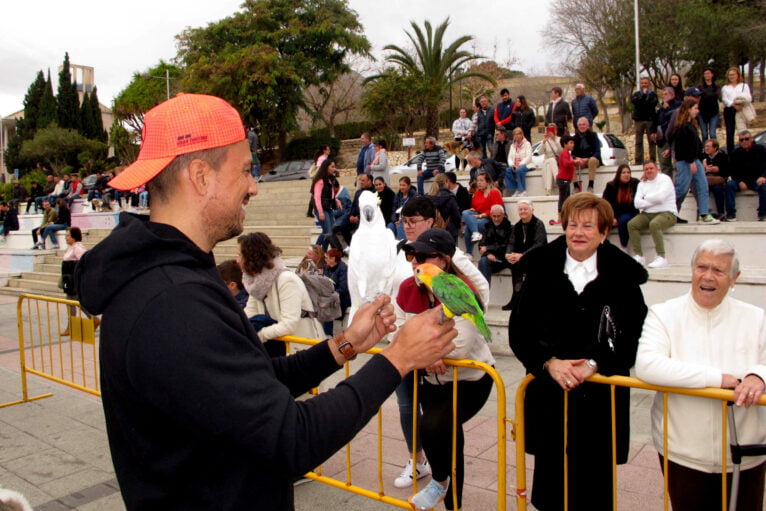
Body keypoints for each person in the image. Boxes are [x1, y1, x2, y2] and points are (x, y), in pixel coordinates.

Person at [75, 93, 459, 511]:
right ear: (201, 176)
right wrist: (398, 359)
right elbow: (290, 437)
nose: (254, 186)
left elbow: (252, 381)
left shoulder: (179, 276)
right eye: (245, 170)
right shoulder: (171, 301)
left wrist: (344, 344)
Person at [509, 193, 648, 511]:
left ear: (603, 232)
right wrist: (548, 363)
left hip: (601, 398)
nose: (579, 232)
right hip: (551, 393)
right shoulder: (542, 269)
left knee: (595, 487)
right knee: (552, 484)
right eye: (573, 224)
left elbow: (634, 331)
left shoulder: (623, 276)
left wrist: (596, 364)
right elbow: (520, 330)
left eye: (588, 225)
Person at [635, 240, 766, 511]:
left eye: (718, 270)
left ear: (734, 278)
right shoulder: (664, 314)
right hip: (684, 453)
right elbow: (647, 365)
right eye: (701, 267)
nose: (707, 276)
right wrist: (717, 379)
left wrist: (758, 376)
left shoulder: (756, 318)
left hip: (746, 451)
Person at [389, 196, 489, 491]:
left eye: (423, 257)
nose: (416, 262)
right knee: (435, 429)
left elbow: (462, 342)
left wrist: (420, 351)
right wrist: (421, 354)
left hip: (466, 376)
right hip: (430, 377)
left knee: (435, 427)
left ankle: (441, 484)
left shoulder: (459, 284)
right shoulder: (410, 286)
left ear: (444, 260)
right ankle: (440, 483)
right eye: (412, 257)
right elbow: (399, 329)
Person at [239, 232, 323, 358]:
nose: (237, 260)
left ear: (252, 257)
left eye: (240, 255)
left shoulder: (287, 280)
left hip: (299, 351)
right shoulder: (257, 284)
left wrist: (259, 335)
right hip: (278, 349)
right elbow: (249, 315)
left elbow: (289, 324)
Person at [669, 99, 719, 224]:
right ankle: (669, 213)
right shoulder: (682, 127)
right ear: (688, 109)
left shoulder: (691, 126)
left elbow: (696, 145)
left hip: (695, 160)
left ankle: (704, 214)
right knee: (682, 189)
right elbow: (683, 148)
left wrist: (702, 159)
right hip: (686, 161)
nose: (697, 111)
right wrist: (691, 161)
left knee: (703, 186)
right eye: (695, 108)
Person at [627, 160, 678, 268]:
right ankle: (639, 256)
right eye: (646, 169)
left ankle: (661, 257)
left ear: (657, 169)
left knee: (655, 224)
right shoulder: (642, 183)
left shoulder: (665, 179)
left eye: (651, 168)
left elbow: (661, 198)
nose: (649, 171)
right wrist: (652, 199)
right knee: (632, 224)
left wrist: (645, 197)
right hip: (647, 214)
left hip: (667, 213)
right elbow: (637, 203)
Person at [502, 199, 547, 310]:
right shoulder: (517, 226)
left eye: (525, 209)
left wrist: (522, 255)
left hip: (537, 256)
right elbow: (511, 242)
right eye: (520, 209)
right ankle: (516, 298)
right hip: (520, 257)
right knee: (514, 263)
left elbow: (539, 244)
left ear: (532, 210)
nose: (523, 211)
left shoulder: (538, 224)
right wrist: (508, 254)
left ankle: (530, 300)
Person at [59, 226, 94, 337]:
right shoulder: (72, 248)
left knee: (72, 302)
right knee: (74, 302)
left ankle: (73, 326)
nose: (66, 238)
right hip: (69, 280)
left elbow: (84, 262)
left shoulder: (78, 248)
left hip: (73, 281)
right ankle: (93, 319)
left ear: (74, 237)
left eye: (68, 236)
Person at [725, 130, 766, 221]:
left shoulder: (761, 149)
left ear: (751, 139)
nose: (744, 141)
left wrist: (763, 176)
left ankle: (763, 213)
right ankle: (730, 214)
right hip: (741, 180)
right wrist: (739, 181)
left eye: (746, 139)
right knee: (730, 185)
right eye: (741, 140)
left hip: (756, 179)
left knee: (764, 186)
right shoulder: (735, 153)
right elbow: (732, 170)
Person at [461, 171, 503, 255]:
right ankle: (475, 233)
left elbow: (495, 209)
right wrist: (473, 209)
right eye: (477, 180)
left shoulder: (494, 192)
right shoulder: (477, 193)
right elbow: (475, 207)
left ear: (487, 182)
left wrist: (480, 215)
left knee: (468, 227)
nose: (478, 183)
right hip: (478, 215)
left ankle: (469, 253)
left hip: (489, 218)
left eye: (481, 180)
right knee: (465, 213)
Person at [602, 164, 639, 250]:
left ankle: (623, 247)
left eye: (628, 172)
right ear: (619, 174)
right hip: (614, 213)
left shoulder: (635, 183)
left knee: (623, 221)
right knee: (602, 223)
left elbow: (634, 205)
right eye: (624, 173)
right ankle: (600, 245)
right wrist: (612, 217)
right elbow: (606, 203)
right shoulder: (611, 186)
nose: (627, 175)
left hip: (630, 212)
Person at [477, 204, 512, 287]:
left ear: (503, 215)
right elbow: (481, 245)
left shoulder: (509, 228)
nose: (496, 219)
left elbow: (506, 245)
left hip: (503, 259)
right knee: (483, 261)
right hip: (491, 259)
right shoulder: (488, 227)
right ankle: (484, 292)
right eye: (494, 216)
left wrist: (488, 248)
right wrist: (488, 254)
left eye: (498, 216)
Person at [651, 86, 681, 177]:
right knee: (664, 164)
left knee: (677, 164)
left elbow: (674, 117)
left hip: (675, 138)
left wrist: (667, 108)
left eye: (666, 94)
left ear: (672, 95)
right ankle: (667, 183)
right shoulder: (661, 108)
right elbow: (656, 120)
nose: (664, 96)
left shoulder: (678, 105)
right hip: (662, 139)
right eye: (663, 94)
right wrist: (653, 131)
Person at [722, 67, 753, 154]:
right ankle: (731, 153)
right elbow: (724, 99)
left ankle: (745, 150)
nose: (731, 77)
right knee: (730, 132)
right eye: (730, 75)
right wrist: (733, 104)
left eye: (733, 74)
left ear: (737, 75)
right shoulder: (725, 87)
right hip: (730, 110)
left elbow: (749, 97)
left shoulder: (744, 86)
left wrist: (740, 104)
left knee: (743, 131)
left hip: (741, 109)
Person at [311, 158, 336, 251]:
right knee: (327, 232)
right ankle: (315, 251)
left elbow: (331, 194)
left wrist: (336, 200)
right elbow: (317, 197)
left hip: (328, 207)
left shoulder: (329, 179)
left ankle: (323, 252)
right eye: (332, 167)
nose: (334, 168)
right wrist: (320, 212)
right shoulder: (320, 181)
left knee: (330, 232)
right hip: (322, 208)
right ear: (326, 167)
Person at [631, 77, 658, 165]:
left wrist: (644, 99)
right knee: (638, 141)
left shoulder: (653, 94)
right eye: (642, 83)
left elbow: (652, 104)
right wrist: (643, 96)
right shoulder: (636, 94)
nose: (644, 85)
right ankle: (639, 160)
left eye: (646, 83)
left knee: (651, 141)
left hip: (650, 120)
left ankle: (652, 159)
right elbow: (635, 102)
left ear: (649, 84)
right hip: (639, 120)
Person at [427, 173, 461, 243]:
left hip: (431, 231)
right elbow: (456, 217)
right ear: (446, 182)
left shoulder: (427, 197)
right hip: (449, 231)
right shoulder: (450, 197)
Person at [571, 117, 602, 193]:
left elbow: (597, 151)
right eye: (580, 125)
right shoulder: (575, 138)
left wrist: (588, 158)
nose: (582, 126)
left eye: (584, 124)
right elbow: (572, 154)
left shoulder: (594, 136)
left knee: (592, 160)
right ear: (578, 127)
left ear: (588, 126)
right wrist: (577, 158)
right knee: (571, 163)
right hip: (580, 161)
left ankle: (591, 185)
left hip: (592, 160)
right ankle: (576, 186)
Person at [324, 248, 350, 329]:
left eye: (327, 258)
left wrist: (331, 295)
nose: (325, 260)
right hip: (331, 295)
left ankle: (327, 333)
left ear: (333, 259)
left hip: (342, 298)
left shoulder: (343, 269)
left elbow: (343, 288)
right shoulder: (327, 268)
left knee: (327, 305)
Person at [702, 138, 728, 219]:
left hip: (718, 180)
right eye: (705, 146)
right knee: (702, 190)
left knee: (718, 189)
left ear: (715, 147)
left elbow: (726, 171)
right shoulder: (703, 157)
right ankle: (702, 213)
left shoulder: (723, 156)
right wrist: (704, 168)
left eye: (709, 146)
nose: (706, 148)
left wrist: (717, 169)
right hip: (707, 180)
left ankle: (721, 212)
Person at [504, 127, 533, 197]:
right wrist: (512, 165)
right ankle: (515, 189)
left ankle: (522, 190)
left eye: (518, 134)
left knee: (520, 170)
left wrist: (520, 164)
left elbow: (528, 156)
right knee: (507, 170)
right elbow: (510, 158)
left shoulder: (527, 144)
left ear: (522, 135)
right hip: (515, 165)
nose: (516, 136)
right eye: (515, 135)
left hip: (526, 164)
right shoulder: (512, 146)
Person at [554, 134, 577, 217]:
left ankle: (565, 214)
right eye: (571, 143)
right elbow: (566, 163)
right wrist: (575, 162)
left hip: (567, 179)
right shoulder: (564, 153)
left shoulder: (568, 153)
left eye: (573, 143)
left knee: (567, 198)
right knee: (563, 198)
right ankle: (560, 215)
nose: (572, 144)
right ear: (565, 144)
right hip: (563, 179)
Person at [697, 67, 721, 142]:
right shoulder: (700, 86)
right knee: (704, 134)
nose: (706, 75)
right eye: (705, 74)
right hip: (702, 112)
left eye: (708, 73)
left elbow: (717, 95)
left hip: (714, 112)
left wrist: (705, 94)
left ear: (712, 75)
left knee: (712, 133)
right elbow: (697, 96)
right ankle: (705, 150)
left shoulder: (716, 86)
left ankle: (715, 150)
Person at [540, 125, 562, 195]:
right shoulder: (546, 140)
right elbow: (540, 152)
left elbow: (561, 152)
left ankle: (548, 189)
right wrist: (543, 142)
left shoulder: (559, 139)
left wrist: (555, 141)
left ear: (556, 131)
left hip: (557, 161)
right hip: (547, 160)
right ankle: (558, 181)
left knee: (550, 164)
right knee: (551, 160)